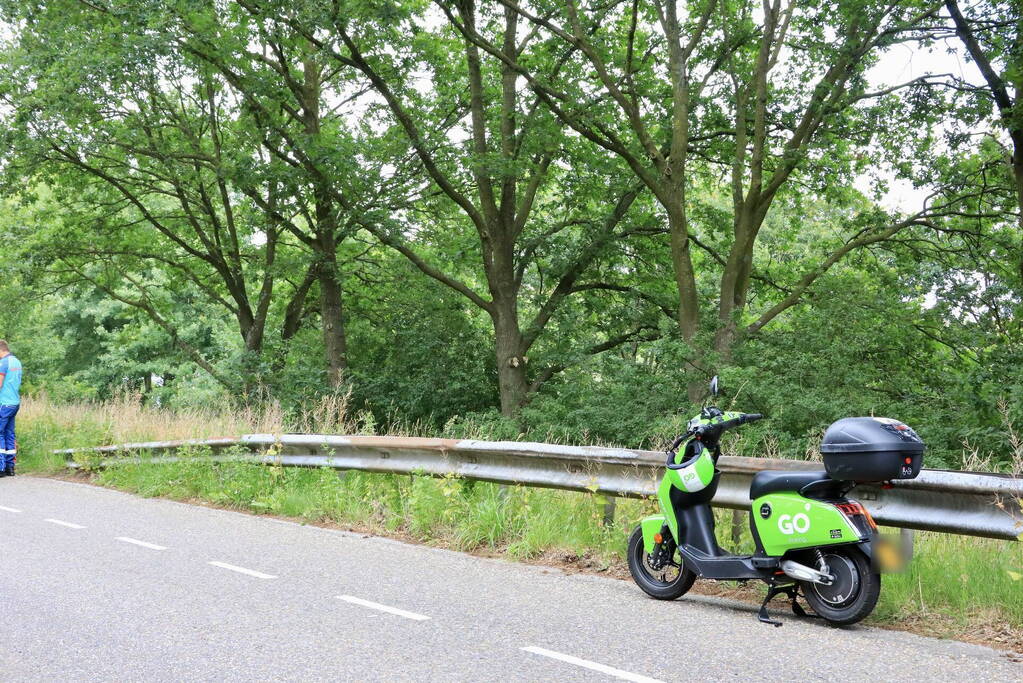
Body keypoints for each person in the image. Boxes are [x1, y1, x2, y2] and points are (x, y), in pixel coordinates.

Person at [0, 340, 22, 477]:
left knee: (0, 433)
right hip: (14, 403)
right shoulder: (16, 362)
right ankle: (10, 467)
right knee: (9, 433)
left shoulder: (3, 363)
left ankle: (0, 468)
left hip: (4, 403)